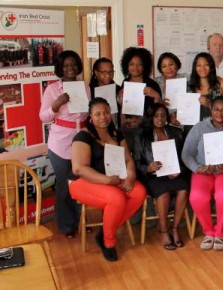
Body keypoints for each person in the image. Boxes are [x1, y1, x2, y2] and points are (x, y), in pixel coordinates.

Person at [69, 98, 147, 261]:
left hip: (114, 179)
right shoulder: (83, 136)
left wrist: (131, 175)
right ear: (90, 117)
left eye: (106, 112)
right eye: (97, 114)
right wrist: (106, 180)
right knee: (116, 199)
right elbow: (78, 168)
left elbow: (128, 159)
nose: (103, 116)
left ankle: (105, 231)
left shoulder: (117, 134)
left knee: (139, 193)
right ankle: (108, 242)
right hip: (84, 182)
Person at [182, 96, 223, 251]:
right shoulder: (198, 128)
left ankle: (220, 233)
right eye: (216, 109)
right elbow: (187, 154)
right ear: (210, 110)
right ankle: (208, 231)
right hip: (204, 171)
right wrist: (197, 168)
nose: (220, 113)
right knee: (197, 197)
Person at [38, 50, 89, 239]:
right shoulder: (52, 89)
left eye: (73, 65)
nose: (70, 68)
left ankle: (80, 221)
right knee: (64, 187)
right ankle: (67, 226)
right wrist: (56, 104)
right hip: (60, 143)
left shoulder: (84, 87)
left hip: (81, 141)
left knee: (80, 184)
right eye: (66, 65)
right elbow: (43, 117)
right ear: (60, 68)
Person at [132, 103, 189, 250]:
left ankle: (175, 228)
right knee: (163, 193)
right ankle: (163, 231)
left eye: (163, 115)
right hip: (153, 176)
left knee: (184, 189)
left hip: (173, 173)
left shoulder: (176, 132)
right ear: (150, 117)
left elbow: (184, 157)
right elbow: (136, 162)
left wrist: (179, 170)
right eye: (156, 115)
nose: (160, 119)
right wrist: (148, 169)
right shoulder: (141, 135)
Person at [118, 47, 162, 128]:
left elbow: (159, 110)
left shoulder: (152, 84)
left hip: (146, 129)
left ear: (144, 66)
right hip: (126, 128)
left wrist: (156, 95)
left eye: (139, 64)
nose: (135, 68)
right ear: (127, 66)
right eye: (132, 64)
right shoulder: (125, 82)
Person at [186, 52, 223, 125]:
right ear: (195, 68)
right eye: (199, 65)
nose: (202, 68)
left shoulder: (220, 87)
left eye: (206, 65)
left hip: (213, 130)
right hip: (191, 130)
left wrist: (210, 104)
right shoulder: (187, 86)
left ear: (211, 67)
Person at [89, 57, 121, 127]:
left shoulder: (118, 89)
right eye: (104, 72)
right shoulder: (89, 90)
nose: (108, 75)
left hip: (114, 128)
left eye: (110, 72)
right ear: (96, 73)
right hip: (95, 129)